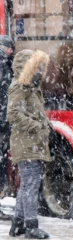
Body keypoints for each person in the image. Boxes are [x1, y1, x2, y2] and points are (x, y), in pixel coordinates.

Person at [7, 50, 51, 239]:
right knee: (31, 185)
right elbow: (13, 114)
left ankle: (17, 224)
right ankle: (31, 226)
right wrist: (37, 127)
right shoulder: (19, 87)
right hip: (26, 143)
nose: (40, 71)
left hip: (32, 142)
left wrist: (46, 126)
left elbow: (35, 113)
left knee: (27, 184)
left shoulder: (31, 88)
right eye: (36, 67)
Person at [0, 35, 14, 204]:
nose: (11, 51)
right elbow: (4, 96)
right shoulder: (3, 64)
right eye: (10, 48)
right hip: (2, 120)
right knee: (2, 156)